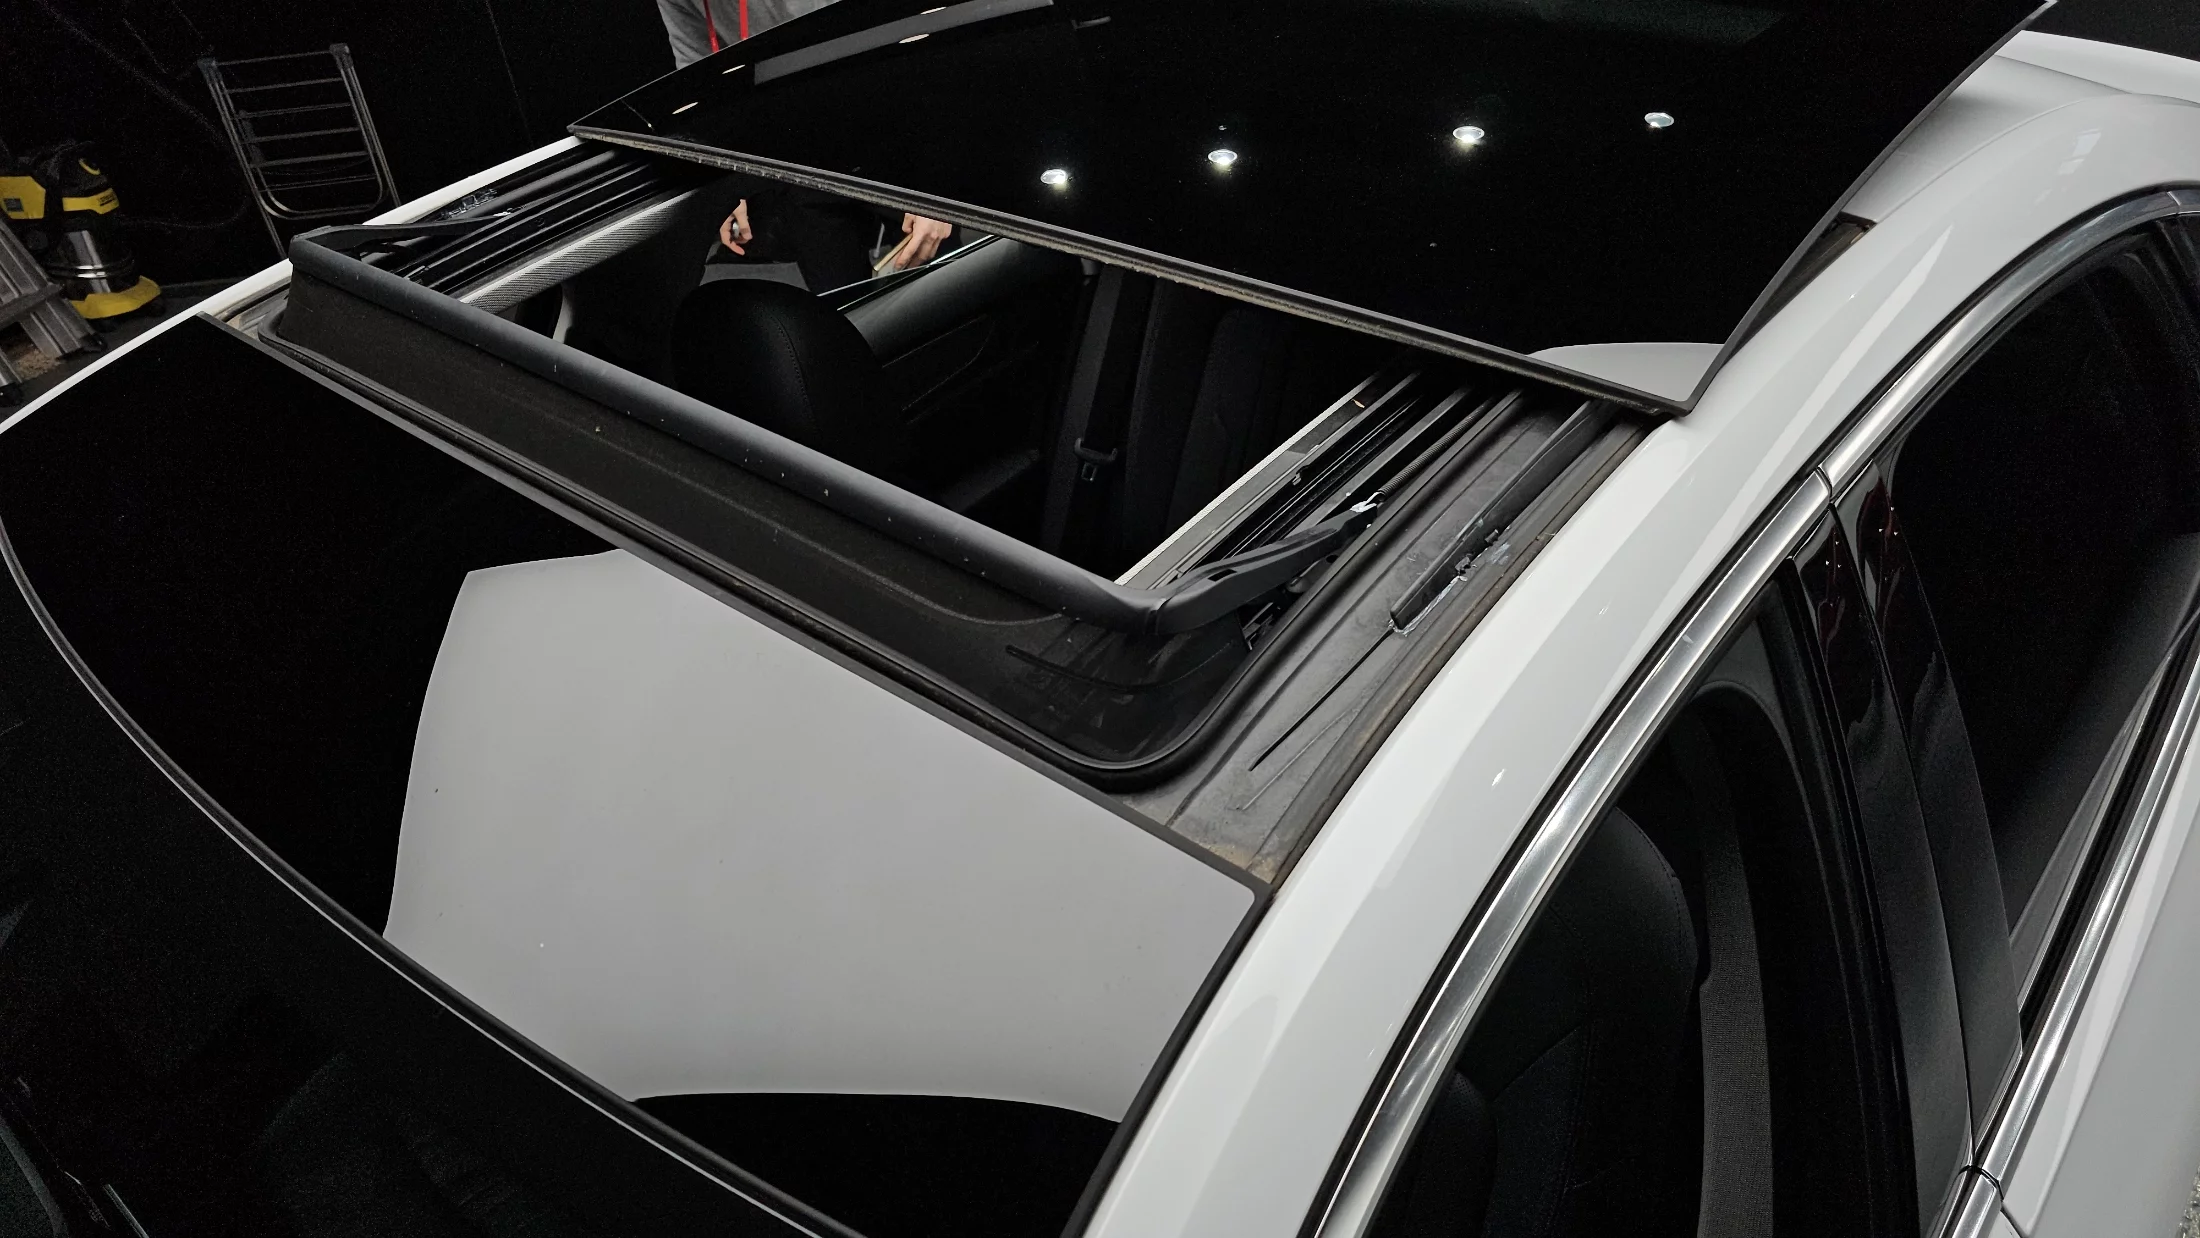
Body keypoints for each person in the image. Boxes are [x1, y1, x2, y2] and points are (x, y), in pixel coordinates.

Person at [656, 0, 953, 283]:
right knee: (838, 303)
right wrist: (718, 180)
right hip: (803, 158)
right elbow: (699, 80)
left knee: (945, 291)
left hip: (895, 137)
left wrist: (935, 183)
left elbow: (919, 38)